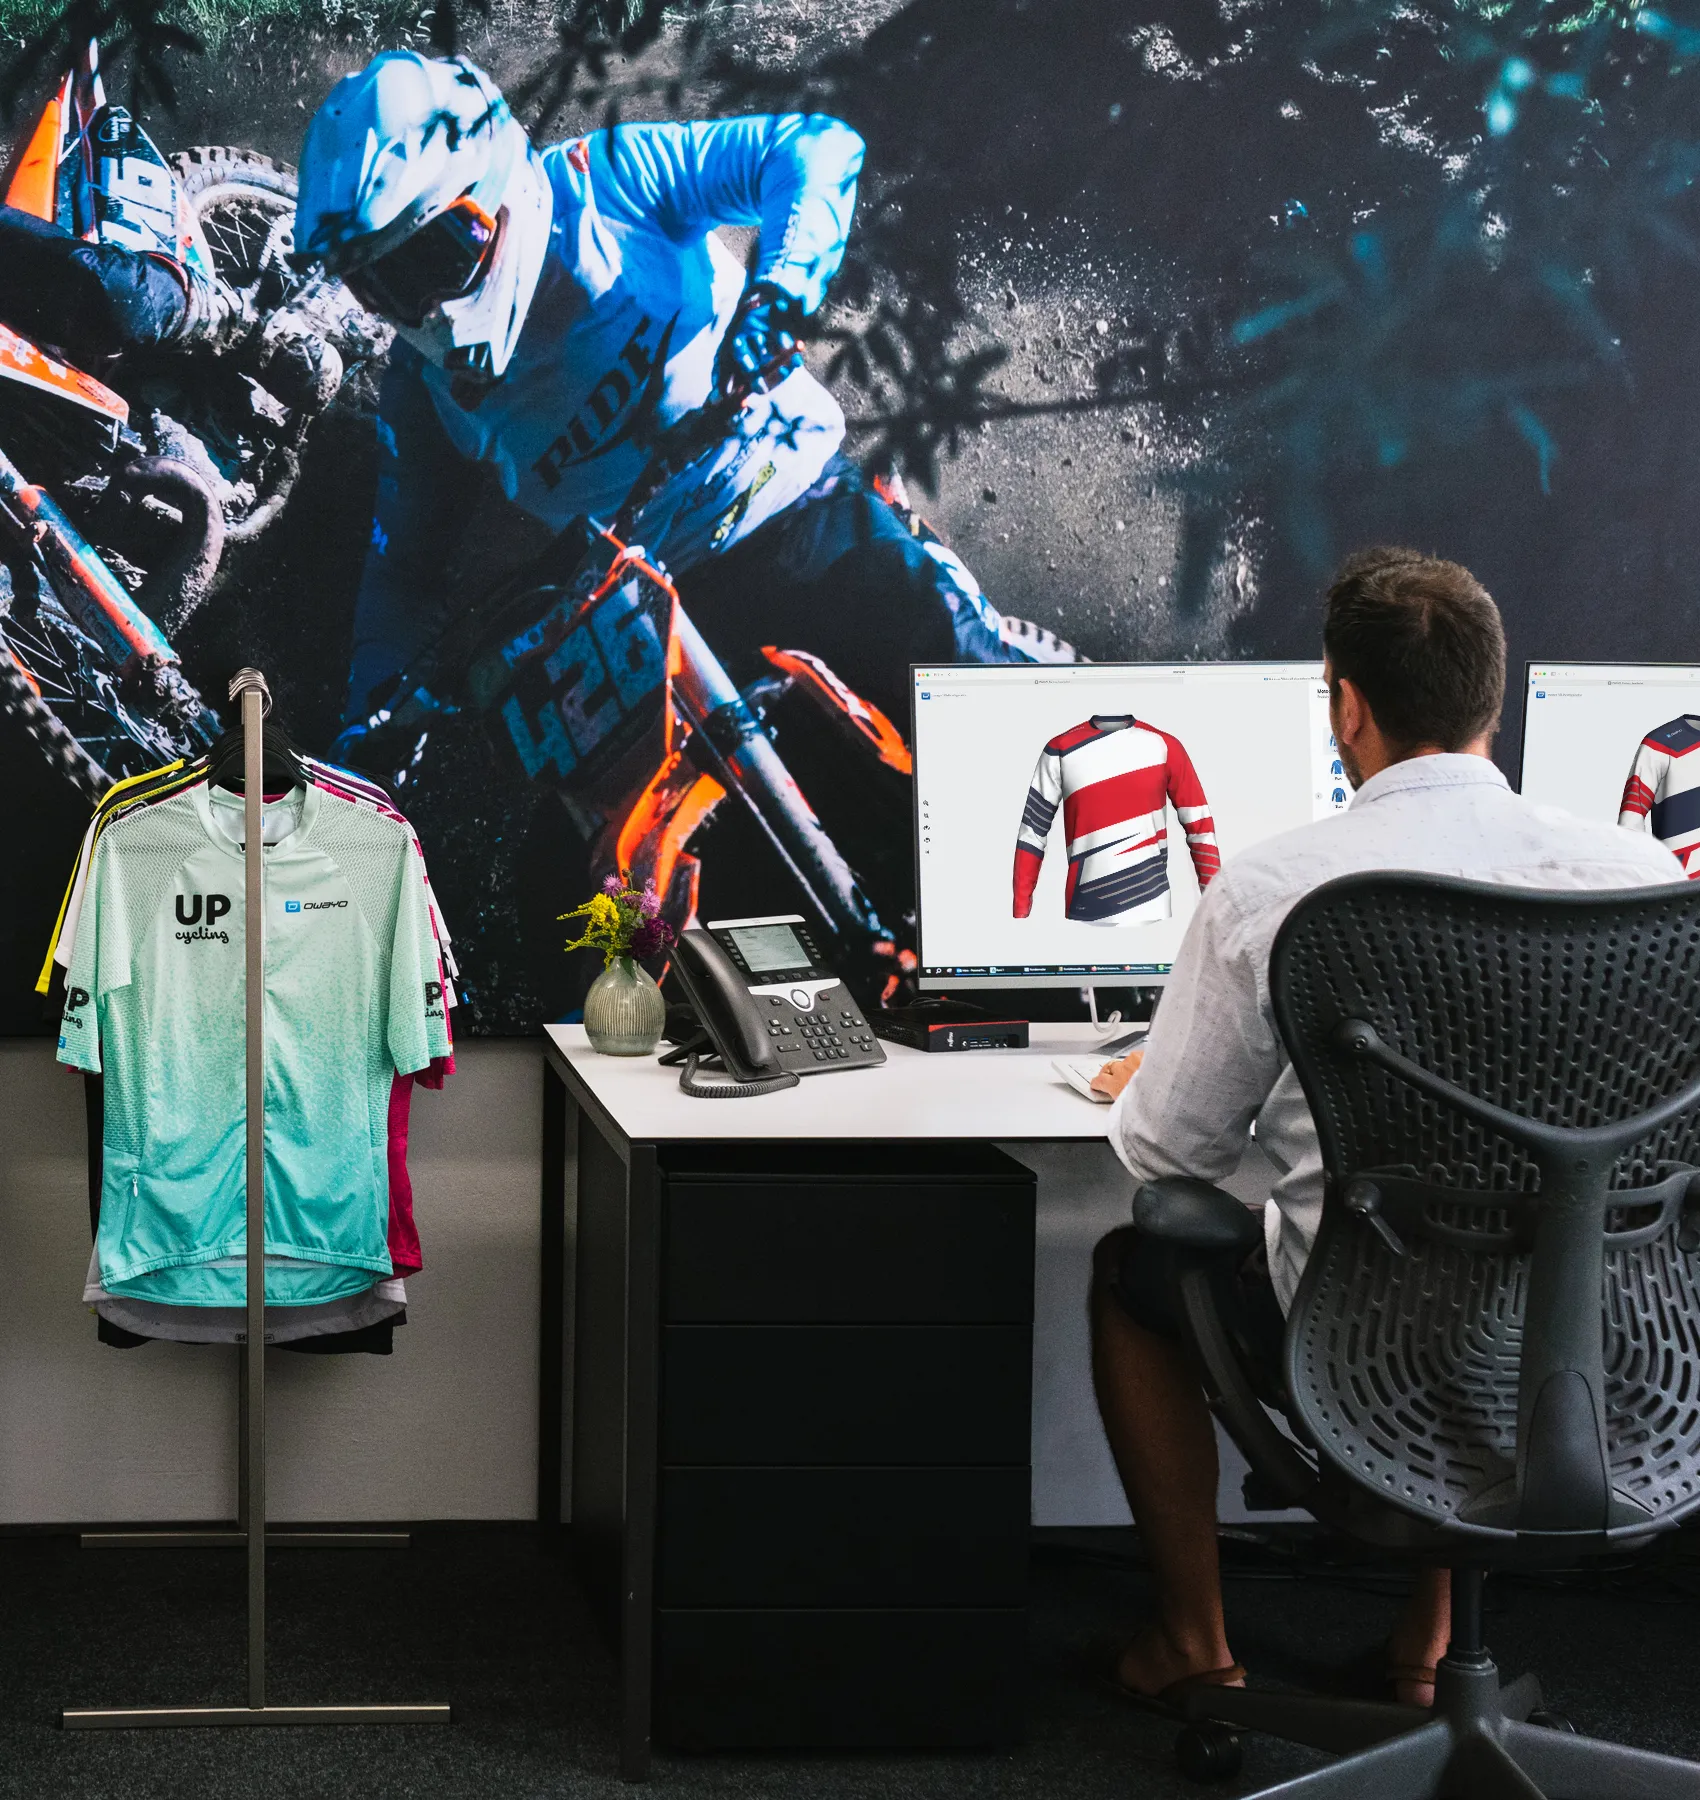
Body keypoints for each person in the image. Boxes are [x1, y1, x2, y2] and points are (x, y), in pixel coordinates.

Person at [1086, 547, 1683, 1711]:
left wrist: (1188, 1084)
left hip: (1356, 1350)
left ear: (1346, 707)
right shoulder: (1639, 873)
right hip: (1597, 1339)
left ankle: (1193, 1646)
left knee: (1127, 1273)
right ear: (1490, 700)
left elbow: (1166, 1160)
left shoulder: (1273, 888)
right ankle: (1424, 1652)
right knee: (1486, 1267)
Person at [290, 51, 1065, 748]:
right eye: (385, 284)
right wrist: (369, 722)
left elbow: (814, 147)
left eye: (436, 253)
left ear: (497, 186)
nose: (425, 306)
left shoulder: (606, 182)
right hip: (642, 634)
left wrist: (779, 297)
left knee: (979, 691)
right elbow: (405, 570)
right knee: (603, 860)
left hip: (798, 511)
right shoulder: (420, 388)